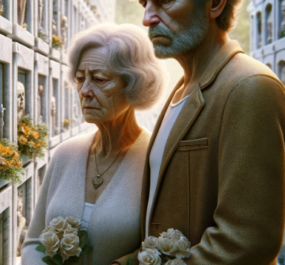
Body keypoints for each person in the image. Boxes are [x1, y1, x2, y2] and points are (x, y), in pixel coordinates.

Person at [113, 0, 285, 264]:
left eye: (165, 2)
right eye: (145, 3)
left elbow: (245, 243)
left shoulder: (250, 87)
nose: (147, 18)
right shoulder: (182, 89)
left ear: (215, 4)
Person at [21, 24, 166, 265]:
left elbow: (164, 249)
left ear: (134, 85)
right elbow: (34, 241)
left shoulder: (157, 159)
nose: (85, 91)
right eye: (80, 79)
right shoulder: (65, 154)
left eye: (99, 79)